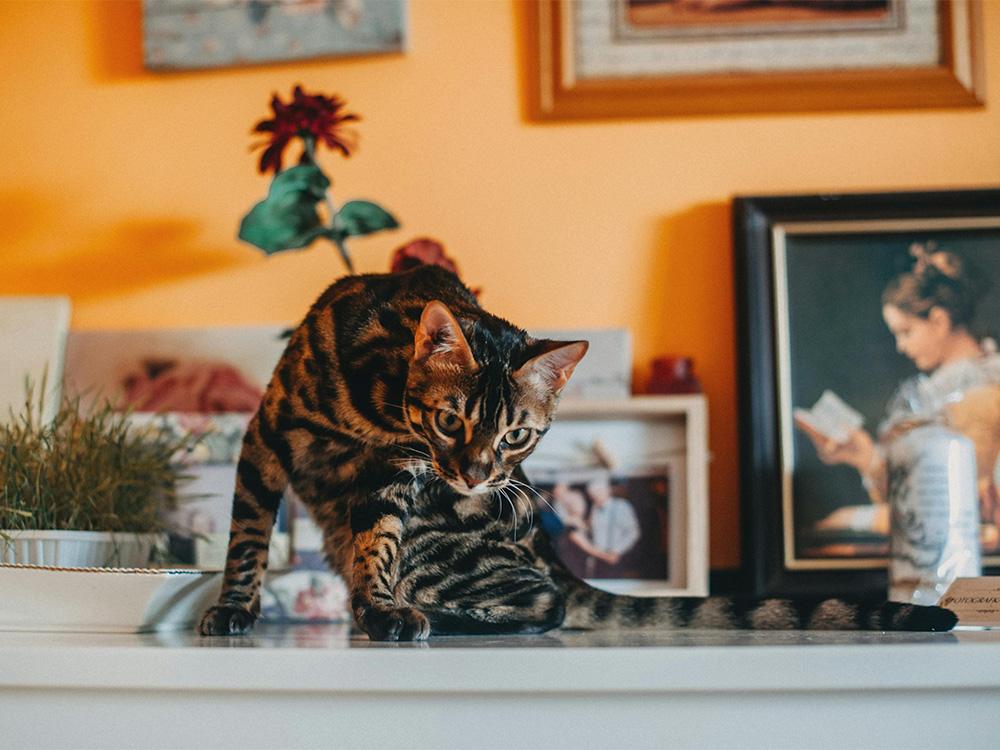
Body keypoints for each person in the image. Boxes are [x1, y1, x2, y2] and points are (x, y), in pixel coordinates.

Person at [797, 243, 1000, 552]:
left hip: (962, 545)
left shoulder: (983, 395)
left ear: (939, 321)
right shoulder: (933, 393)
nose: (900, 347)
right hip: (927, 535)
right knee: (830, 534)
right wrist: (864, 457)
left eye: (905, 332)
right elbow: (911, 494)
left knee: (835, 532)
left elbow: (955, 505)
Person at [583, 476, 641, 577]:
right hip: (597, 560)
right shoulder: (594, 509)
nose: (594, 498)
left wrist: (617, 550)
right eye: (592, 495)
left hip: (616, 559)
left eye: (597, 493)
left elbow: (633, 532)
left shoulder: (621, 506)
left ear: (606, 491)